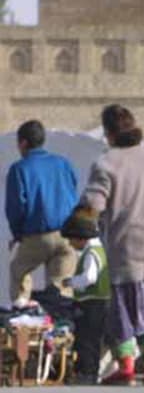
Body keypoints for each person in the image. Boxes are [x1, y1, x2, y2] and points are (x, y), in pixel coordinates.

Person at [81, 105, 144, 387]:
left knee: (124, 305)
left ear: (108, 132)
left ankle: (125, 366)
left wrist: (77, 225)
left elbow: (93, 204)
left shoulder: (107, 163)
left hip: (126, 245)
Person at [6, 119, 78, 305]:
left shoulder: (19, 168)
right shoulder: (63, 163)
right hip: (68, 236)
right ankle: (62, 325)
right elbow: (73, 190)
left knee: (19, 271)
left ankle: (22, 316)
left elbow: (16, 207)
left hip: (38, 235)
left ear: (23, 143)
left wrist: (18, 234)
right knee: (60, 288)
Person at [59, 206, 110, 385]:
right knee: (93, 340)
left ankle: (86, 373)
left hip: (92, 303)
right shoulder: (100, 249)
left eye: (72, 240)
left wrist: (71, 282)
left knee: (87, 340)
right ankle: (90, 372)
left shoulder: (91, 253)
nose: (71, 244)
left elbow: (89, 278)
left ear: (81, 237)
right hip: (100, 302)